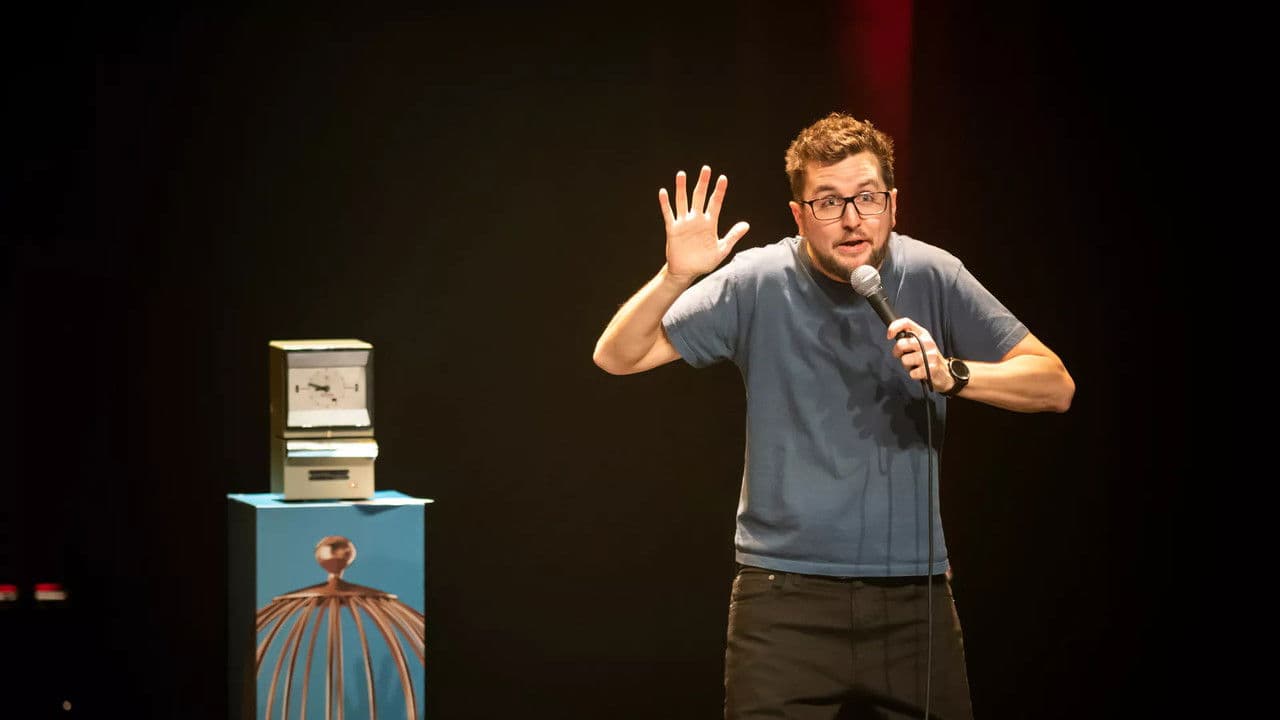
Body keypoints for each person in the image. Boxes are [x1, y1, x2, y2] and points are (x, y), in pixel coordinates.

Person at [592, 112, 1074, 720]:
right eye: (828, 202)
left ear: (892, 205)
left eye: (867, 197)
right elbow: (618, 356)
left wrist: (953, 373)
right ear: (799, 216)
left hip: (913, 601)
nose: (852, 218)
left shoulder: (933, 273)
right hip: (782, 601)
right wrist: (675, 277)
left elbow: (1055, 385)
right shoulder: (758, 280)